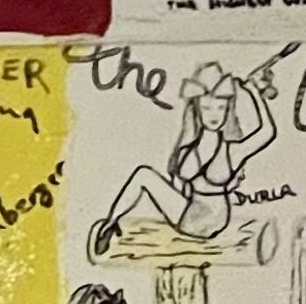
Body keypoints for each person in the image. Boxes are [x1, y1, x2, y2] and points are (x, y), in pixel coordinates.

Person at [87, 59, 273, 259]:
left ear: (228, 111)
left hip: (213, 220)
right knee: (143, 174)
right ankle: (110, 222)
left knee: (144, 175)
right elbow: (179, 186)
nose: (214, 115)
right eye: (207, 108)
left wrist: (254, 93)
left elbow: (268, 132)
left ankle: (111, 222)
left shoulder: (231, 152)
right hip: (191, 220)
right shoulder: (187, 150)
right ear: (197, 111)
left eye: (220, 108)